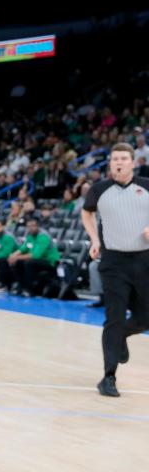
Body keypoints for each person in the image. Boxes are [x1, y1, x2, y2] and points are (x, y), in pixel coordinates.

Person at [81, 143, 149, 397]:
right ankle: (108, 376)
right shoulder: (99, 190)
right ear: (110, 164)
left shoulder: (147, 186)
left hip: (144, 261)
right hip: (113, 263)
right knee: (115, 317)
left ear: (133, 162)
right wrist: (95, 240)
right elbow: (86, 214)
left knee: (145, 318)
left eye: (123, 158)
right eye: (114, 159)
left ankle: (122, 337)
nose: (118, 162)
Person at [7, 217, 60, 297]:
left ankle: (29, 290)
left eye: (33, 226)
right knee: (17, 262)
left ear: (38, 226)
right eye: (28, 226)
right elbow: (23, 248)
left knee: (29, 263)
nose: (30, 228)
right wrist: (13, 255)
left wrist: (16, 257)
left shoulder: (43, 237)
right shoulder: (30, 236)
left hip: (50, 261)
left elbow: (35, 255)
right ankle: (21, 286)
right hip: (39, 261)